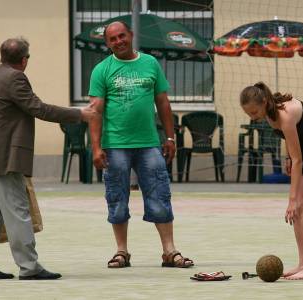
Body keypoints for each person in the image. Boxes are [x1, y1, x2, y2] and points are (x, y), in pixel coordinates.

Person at [88, 21, 194, 269]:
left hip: (149, 144)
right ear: (107, 43)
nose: (118, 42)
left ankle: (169, 251)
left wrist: (169, 138)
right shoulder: (101, 70)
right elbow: (95, 112)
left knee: (160, 194)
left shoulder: (150, 63)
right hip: (115, 145)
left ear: (131, 35)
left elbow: (163, 102)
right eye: (112, 39)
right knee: (117, 197)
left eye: (122, 36)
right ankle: (121, 251)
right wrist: (95, 147)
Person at [0, 37, 95, 280]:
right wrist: (80, 114)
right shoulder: (15, 78)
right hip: (7, 157)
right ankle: (29, 267)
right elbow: (39, 108)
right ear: (24, 59)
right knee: (17, 211)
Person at [240, 82, 303, 280]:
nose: (253, 117)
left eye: (254, 112)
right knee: (298, 210)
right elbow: (291, 140)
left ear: (264, 101)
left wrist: (292, 199)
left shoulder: (284, 114)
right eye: (248, 114)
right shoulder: (270, 112)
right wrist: (287, 156)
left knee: (302, 206)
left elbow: (298, 161)